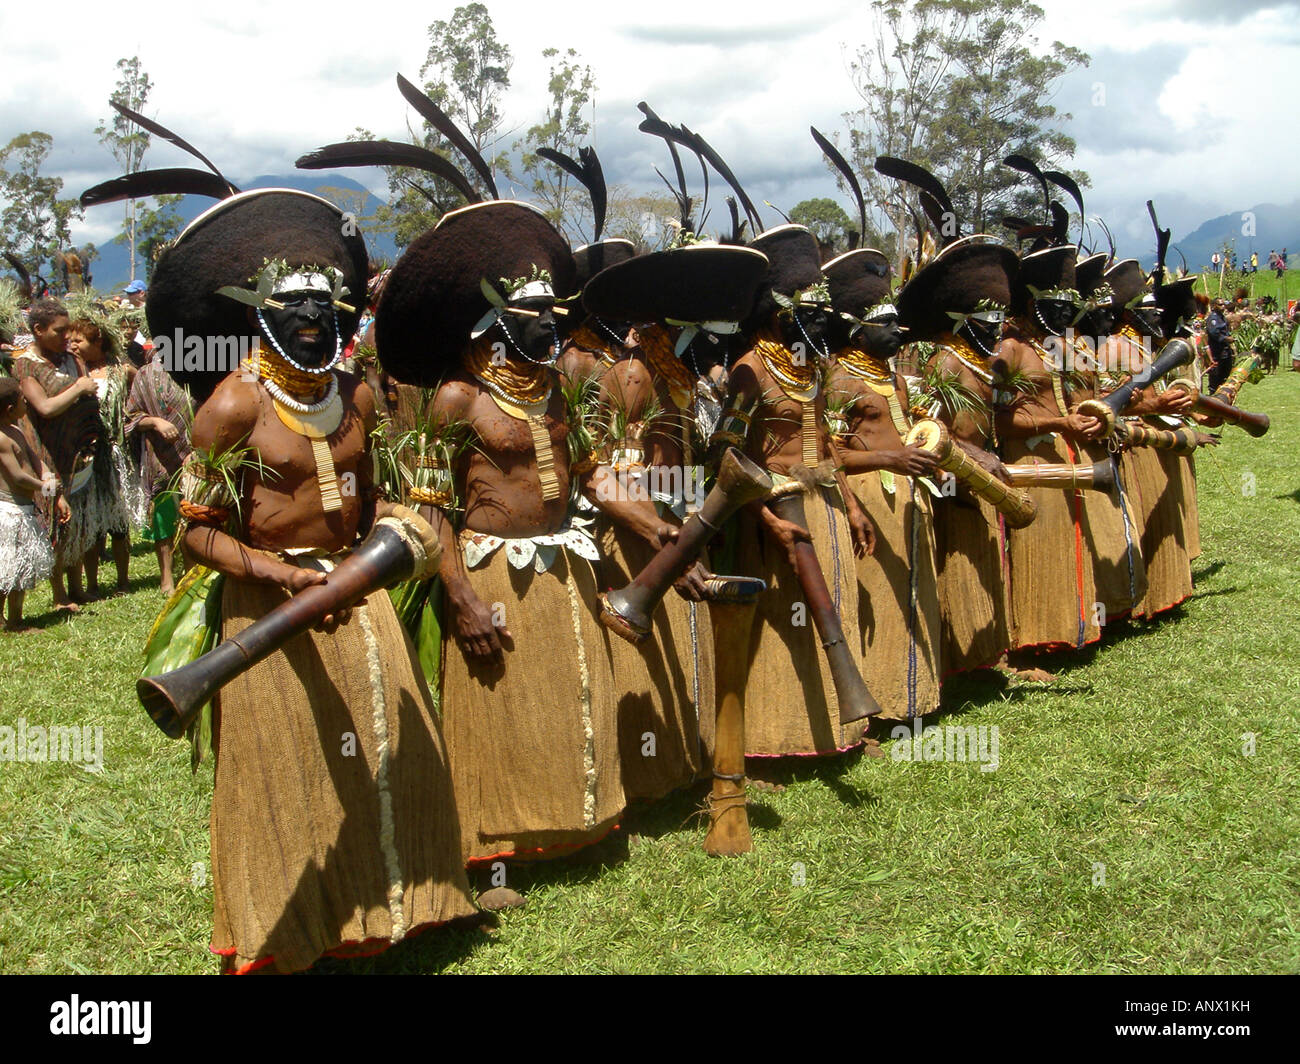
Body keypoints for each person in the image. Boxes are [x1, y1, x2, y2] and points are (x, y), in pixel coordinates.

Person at [139, 186, 478, 972]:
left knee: (404, 751)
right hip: (268, 610)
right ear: (259, 315)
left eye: (324, 309)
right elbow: (194, 530)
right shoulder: (230, 405)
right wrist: (278, 573)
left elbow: (376, 492)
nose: (311, 321)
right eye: (293, 309)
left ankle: (413, 902)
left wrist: (405, 528)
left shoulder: (355, 395)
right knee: (286, 771)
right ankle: (289, 928)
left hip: (361, 593)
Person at [375, 199, 680, 901]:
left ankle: (580, 822)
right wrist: (460, 597)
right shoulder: (456, 398)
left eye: (554, 311)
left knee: (566, 688)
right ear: (497, 320)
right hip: (488, 567)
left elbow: (593, 476)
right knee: (496, 707)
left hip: (560, 560)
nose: (552, 323)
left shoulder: (553, 391)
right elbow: (431, 510)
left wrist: (650, 524)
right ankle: (493, 855)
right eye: (536, 312)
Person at [720, 223, 876, 757]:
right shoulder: (748, 371)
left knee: (834, 610)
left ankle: (841, 730)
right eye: (809, 314)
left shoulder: (807, 367)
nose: (820, 323)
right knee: (783, 625)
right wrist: (767, 519)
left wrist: (851, 505)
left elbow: (827, 442)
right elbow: (727, 455)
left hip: (825, 506)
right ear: (781, 314)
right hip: (776, 512)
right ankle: (774, 741)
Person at [823, 247, 944, 720]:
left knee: (914, 593)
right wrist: (887, 461)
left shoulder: (894, 375)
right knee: (880, 598)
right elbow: (831, 455)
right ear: (858, 329)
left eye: (898, 323)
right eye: (887, 323)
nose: (899, 332)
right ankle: (877, 706)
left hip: (911, 497)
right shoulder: (838, 377)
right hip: (872, 499)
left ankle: (915, 697)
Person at [9, 298, 100, 611]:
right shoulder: (25, 364)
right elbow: (45, 408)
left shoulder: (68, 359)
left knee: (77, 522)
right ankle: (59, 594)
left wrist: (81, 373)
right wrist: (80, 388)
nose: (66, 337)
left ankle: (77, 587)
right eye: (59, 331)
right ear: (38, 330)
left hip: (75, 454)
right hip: (45, 454)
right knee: (55, 523)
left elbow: (86, 389)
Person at [66, 316, 137, 597]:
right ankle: (92, 584)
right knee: (91, 522)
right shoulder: (74, 372)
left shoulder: (121, 371)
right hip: (88, 456)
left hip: (115, 452)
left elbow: (136, 397)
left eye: (79, 340)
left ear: (98, 341)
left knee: (119, 521)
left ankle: (123, 581)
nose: (74, 344)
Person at [124, 348, 192, 596]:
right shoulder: (146, 374)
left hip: (196, 455)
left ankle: (192, 571)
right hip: (161, 458)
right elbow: (130, 417)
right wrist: (155, 421)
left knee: (194, 515)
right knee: (164, 518)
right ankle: (166, 577)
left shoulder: (203, 369)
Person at [0, 377, 66, 630]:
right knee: (7, 571)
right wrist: (45, 487)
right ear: (9, 408)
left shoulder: (16, 430)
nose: (25, 402)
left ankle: (16, 619)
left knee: (21, 571)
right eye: (22, 400)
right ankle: (4, 620)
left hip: (25, 511)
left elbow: (35, 461)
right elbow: (16, 475)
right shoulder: (2, 439)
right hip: (10, 511)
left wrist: (48, 476)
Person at [1204, 298, 1234, 392]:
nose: (1223, 306)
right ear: (1214, 306)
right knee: (1216, 376)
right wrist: (1226, 339)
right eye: (1220, 305)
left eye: (1223, 304)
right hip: (1217, 352)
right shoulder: (1213, 318)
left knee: (1225, 375)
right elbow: (1214, 333)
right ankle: (1214, 395)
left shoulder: (1222, 317)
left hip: (1225, 351)